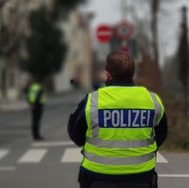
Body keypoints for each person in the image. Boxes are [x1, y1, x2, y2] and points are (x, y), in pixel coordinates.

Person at [67, 50, 167, 188]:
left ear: (107, 75)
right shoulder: (152, 100)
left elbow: (75, 134)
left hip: (98, 177)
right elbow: (161, 135)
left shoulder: (92, 101)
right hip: (141, 177)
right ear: (132, 74)